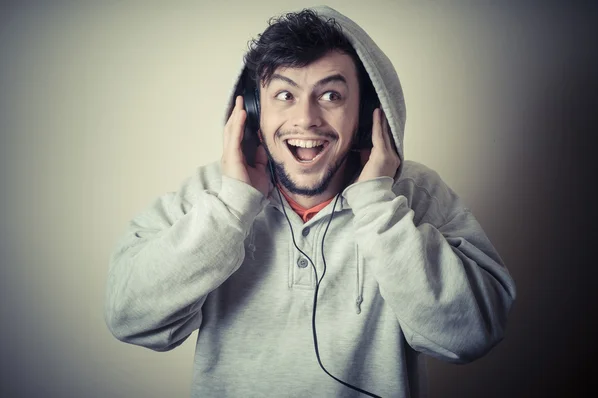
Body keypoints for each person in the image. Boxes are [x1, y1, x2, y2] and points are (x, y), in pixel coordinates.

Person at [104, 6, 517, 398]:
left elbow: (472, 335)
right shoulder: (212, 193)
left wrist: (376, 205)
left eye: (331, 96)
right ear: (252, 110)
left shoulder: (411, 193)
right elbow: (130, 317)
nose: (306, 119)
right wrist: (232, 207)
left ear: (368, 112)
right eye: (284, 95)